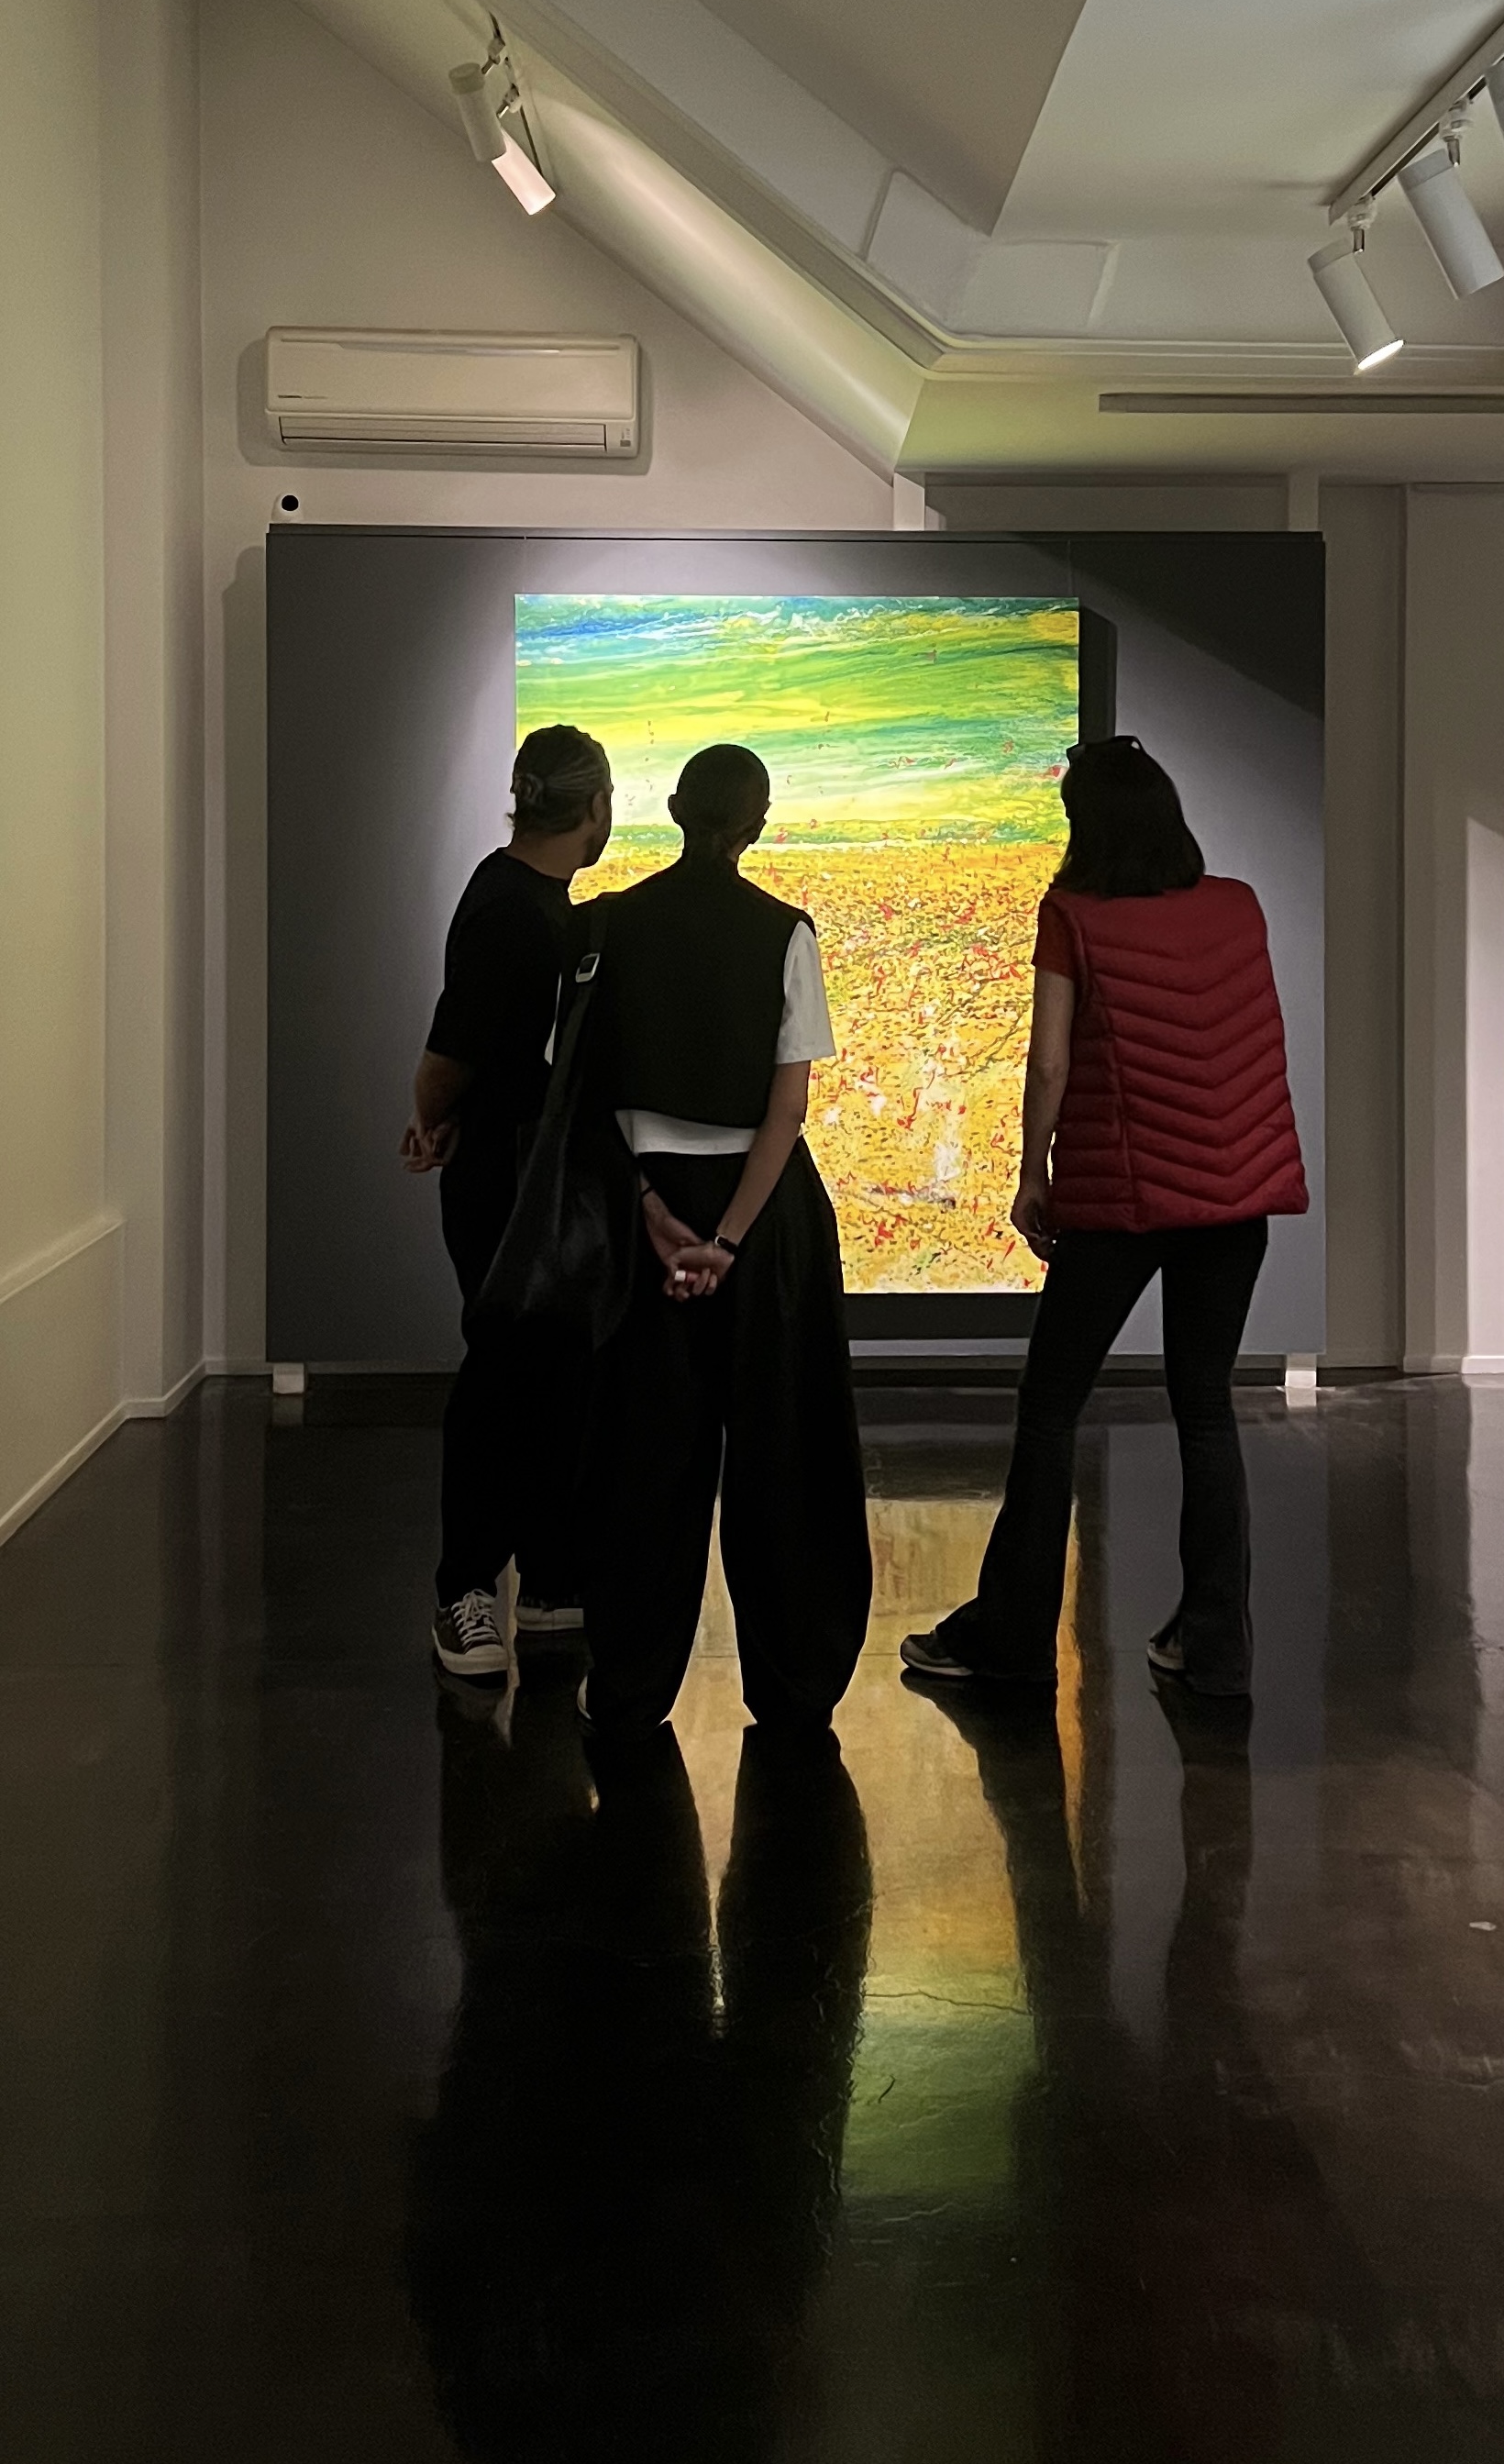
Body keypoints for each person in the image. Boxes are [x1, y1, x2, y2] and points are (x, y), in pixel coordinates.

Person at [901, 735, 1307, 1700]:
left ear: (1085, 826)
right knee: (1204, 1406)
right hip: (1232, 1202)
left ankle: (1009, 1639)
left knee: (1051, 1405)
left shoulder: (1073, 914)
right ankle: (1214, 1644)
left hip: (1120, 1201)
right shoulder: (1238, 904)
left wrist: (1030, 1174)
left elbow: (1050, 1061)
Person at [576, 742, 870, 1768]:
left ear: (671, 808)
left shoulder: (605, 925)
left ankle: (628, 1684)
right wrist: (729, 1239)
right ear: (759, 823)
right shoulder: (785, 931)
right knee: (784, 1455)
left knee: (644, 1457)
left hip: (644, 1213)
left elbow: (589, 1096)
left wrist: (654, 1213)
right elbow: (786, 1112)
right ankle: (795, 1684)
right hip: (765, 1220)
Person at [404, 724, 612, 1678]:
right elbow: (449, 1054)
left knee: (546, 1368)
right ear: (594, 807)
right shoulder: (514, 912)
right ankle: (466, 1590)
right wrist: (432, 1115)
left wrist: (443, 1116)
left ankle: (551, 1576)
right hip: (504, 1178)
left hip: (526, 1170)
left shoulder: (522, 896)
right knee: (502, 1373)